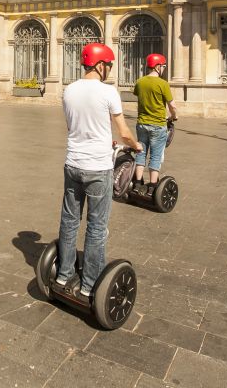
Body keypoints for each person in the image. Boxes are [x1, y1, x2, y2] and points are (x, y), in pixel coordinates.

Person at [54, 43, 141, 299]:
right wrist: (135, 145)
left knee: (69, 221)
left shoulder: (68, 90)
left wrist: (105, 140)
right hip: (97, 167)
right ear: (101, 65)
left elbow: (76, 128)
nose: (110, 70)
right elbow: (124, 132)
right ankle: (90, 284)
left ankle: (63, 274)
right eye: (110, 65)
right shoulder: (108, 92)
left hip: (73, 163)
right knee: (96, 225)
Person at [132, 54, 177, 194]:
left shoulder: (139, 82)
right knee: (155, 156)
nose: (163, 69)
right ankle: (152, 187)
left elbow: (139, 99)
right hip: (157, 125)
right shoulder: (163, 84)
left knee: (141, 153)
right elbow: (172, 106)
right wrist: (174, 116)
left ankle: (137, 184)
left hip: (141, 124)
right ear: (158, 66)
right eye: (163, 66)